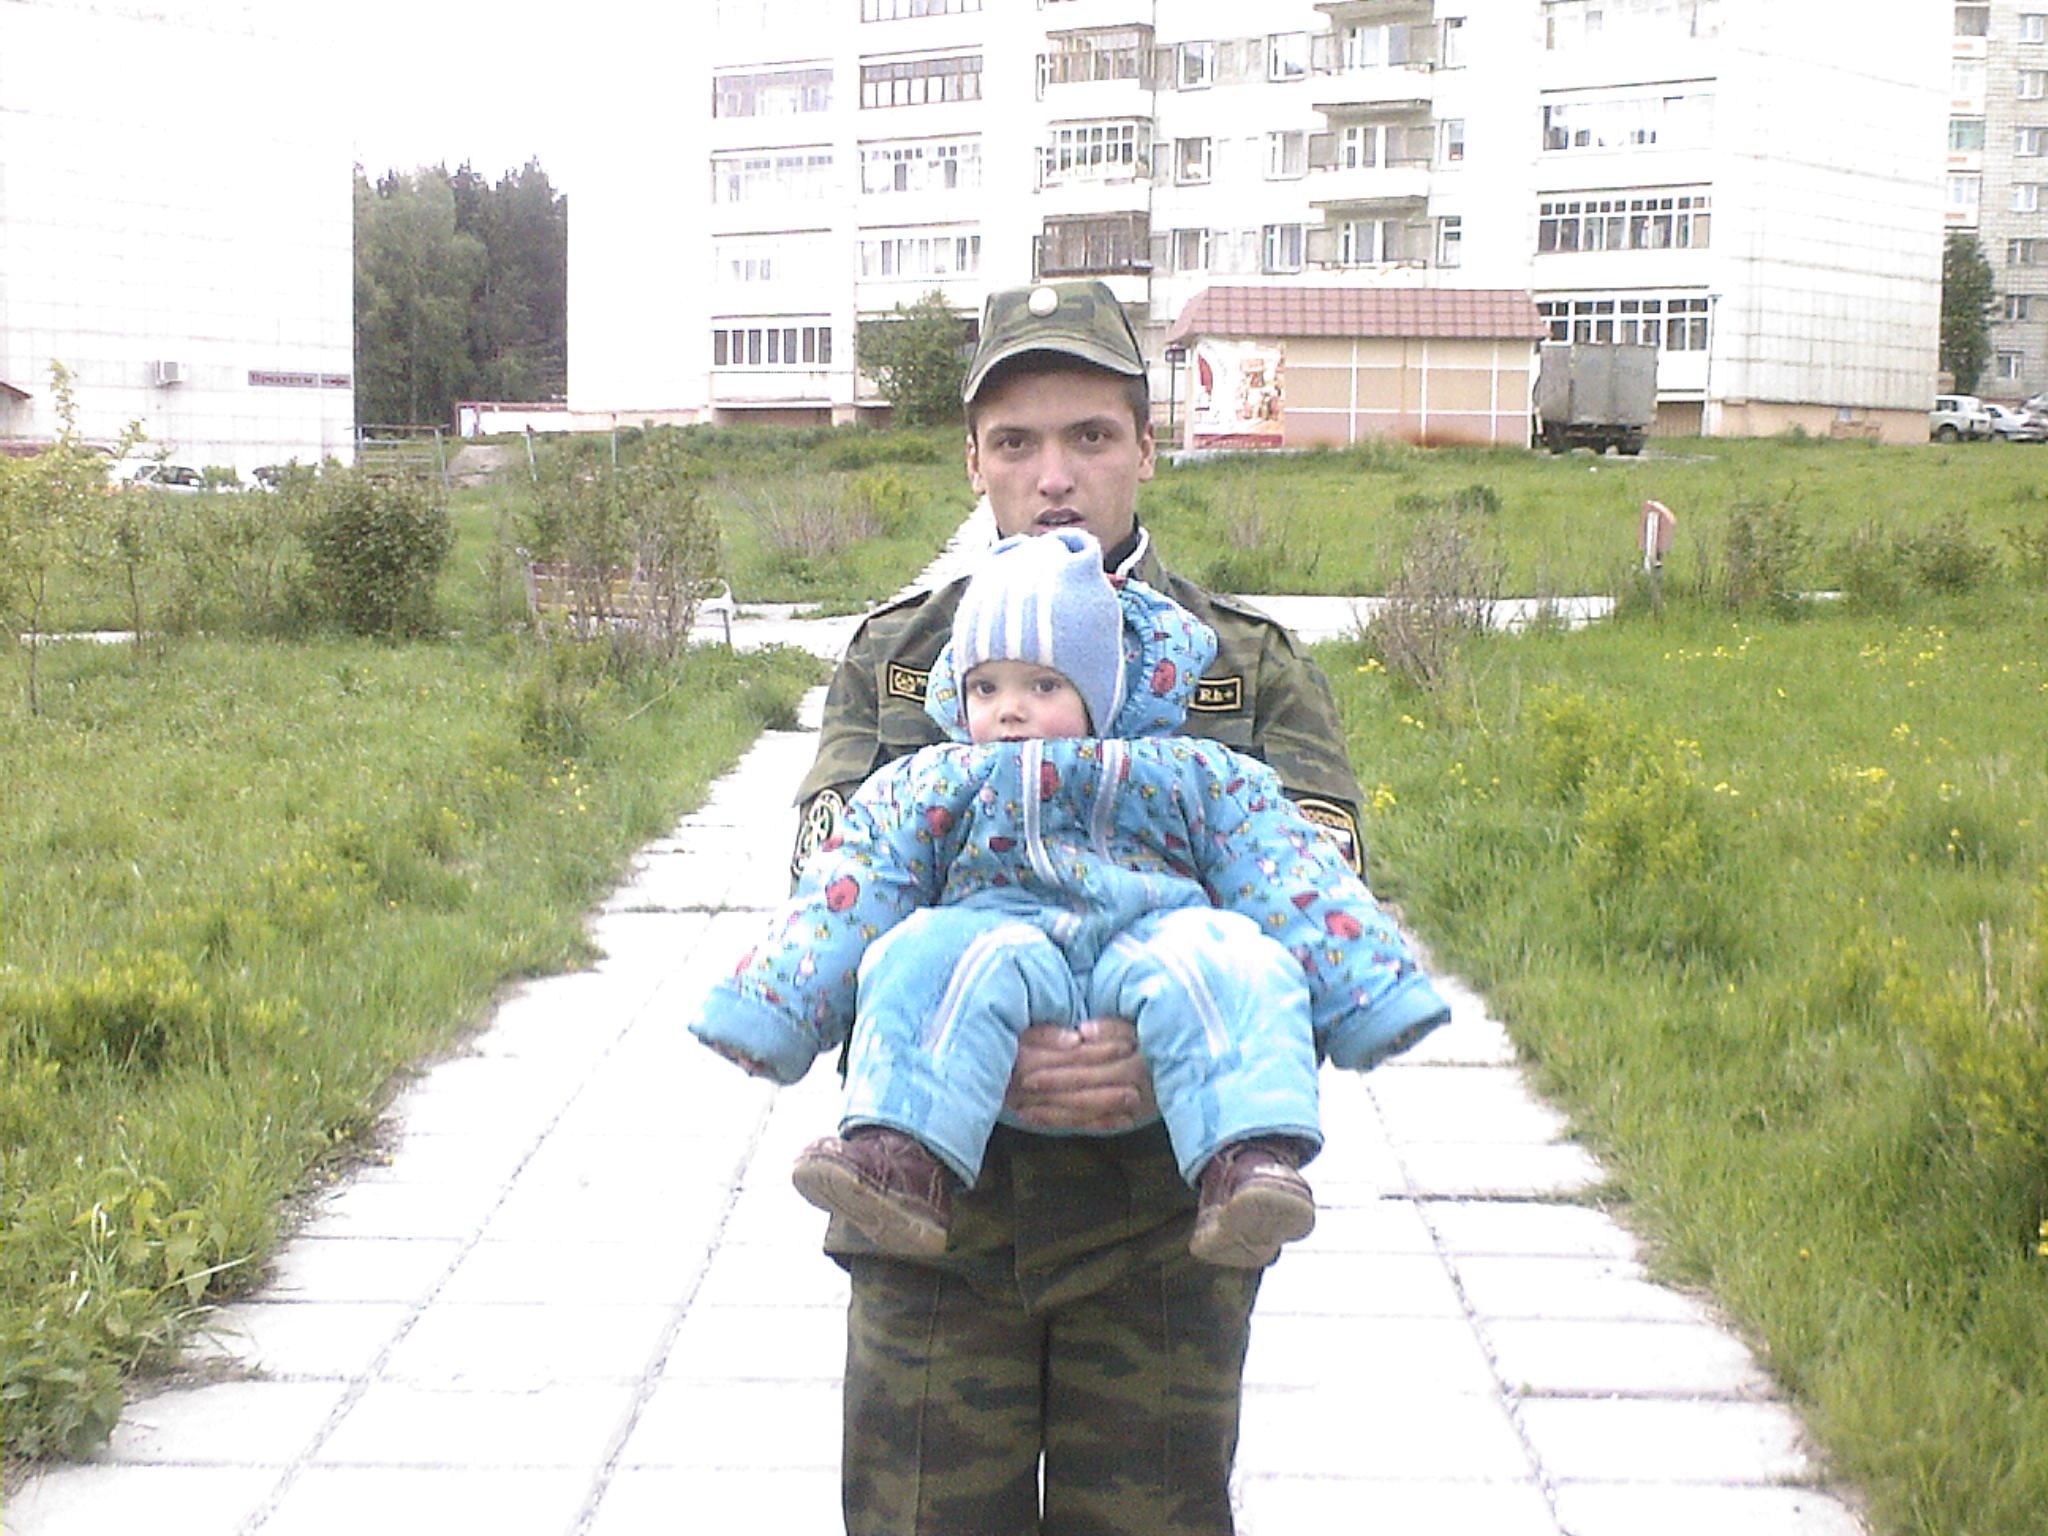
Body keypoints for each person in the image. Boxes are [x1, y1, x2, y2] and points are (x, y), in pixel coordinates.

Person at [783, 279, 1382, 1534]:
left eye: (1089, 436)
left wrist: (1156, 1047)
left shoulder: (1242, 669)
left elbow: (1320, 910)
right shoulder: (901, 662)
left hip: (1162, 1225)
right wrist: (983, 1038)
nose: (1052, 476)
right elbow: (826, 893)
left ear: (1146, 448)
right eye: (1015, 442)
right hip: (935, 1217)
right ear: (973, 462)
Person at [692, 528, 1449, 1271]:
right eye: (986, 687)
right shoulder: (930, 780)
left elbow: (1287, 871)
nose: (1009, 709)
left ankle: (1246, 1159)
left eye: (1044, 686)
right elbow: (853, 888)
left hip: (1151, 936)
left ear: (1104, 691)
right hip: (999, 940)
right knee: (920, 955)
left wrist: (1370, 994)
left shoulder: (1191, 772)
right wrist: (775, 1010)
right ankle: (902, 1158)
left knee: (1233, 960)